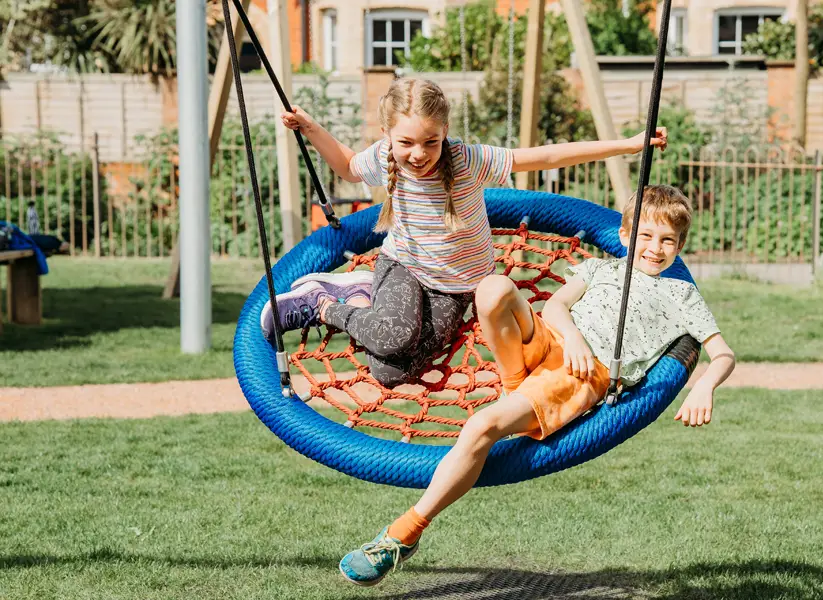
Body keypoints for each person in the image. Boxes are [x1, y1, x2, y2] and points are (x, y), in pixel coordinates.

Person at [337, 184, 736, 586]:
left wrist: (703, 386)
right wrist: (573, 338)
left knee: (480, 427)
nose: (655, 248)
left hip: (581, 374)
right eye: (645, 236)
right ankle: (515, 384)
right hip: (552, 338)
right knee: (492, 288)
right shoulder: (602, 268)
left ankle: (401, 535)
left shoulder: (681, 294)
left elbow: (724, 354)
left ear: (680, 245)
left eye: (667, 240)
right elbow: (557, 306)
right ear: (624, 236)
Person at [263, 77, 668, 388]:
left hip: (456, 288)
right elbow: (349, 167)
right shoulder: (386, 156)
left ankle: (361, 297)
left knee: (389, 371)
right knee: (394, 336)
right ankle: (323, 304)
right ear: (388, 135)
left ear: (445, 132)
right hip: (404, 266)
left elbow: (546, 155)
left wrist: (627, 146)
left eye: (430, 141)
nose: (418, 154)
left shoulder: (467, 160)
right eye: (406, 142)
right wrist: (311, 129)